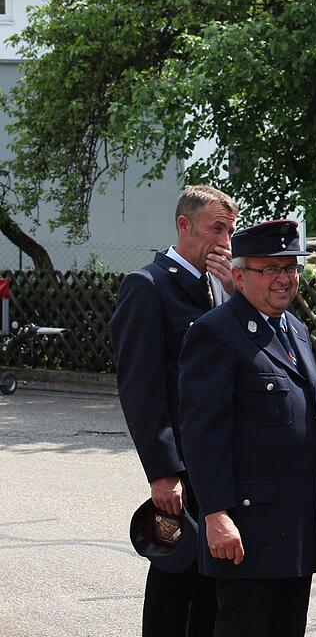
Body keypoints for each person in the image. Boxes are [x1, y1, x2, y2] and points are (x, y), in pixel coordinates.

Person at [178, 219, 316, 637]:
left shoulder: (295, 330)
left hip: (296, 527)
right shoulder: (215, 333)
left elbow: (311, 423)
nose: (284, 279)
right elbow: (203, 434)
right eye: (270, 269)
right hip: (247, 528)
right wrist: (216, 513)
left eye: (290, 268)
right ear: (238, 276)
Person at [110, 185, 238, 637]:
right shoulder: (149, 285)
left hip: (221, 462)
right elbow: (141, 388)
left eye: (231, 230)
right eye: (216, 229)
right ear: (184, 226)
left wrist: (233, 292)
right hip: (183, 468)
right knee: (175, 583)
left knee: (211, 587)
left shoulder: (220, 288)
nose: (225, 241)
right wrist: (163, 470)